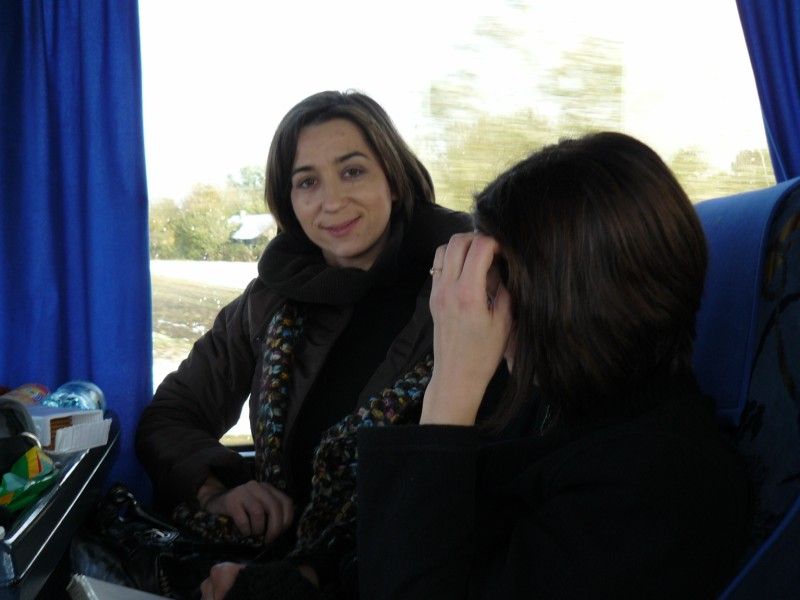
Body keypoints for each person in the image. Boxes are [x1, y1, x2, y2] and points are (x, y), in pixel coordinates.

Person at [357, 132, 753, 598]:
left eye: (500, 280)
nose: (486, 305)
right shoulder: (556, 394)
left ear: (569, 300)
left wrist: (451, 386)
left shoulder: (661, 489)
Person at [135, 90, 473, 599]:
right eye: (307, 182)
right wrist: (215, 491)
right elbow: (171, 415)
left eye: (352, 171)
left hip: (401, 572)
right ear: (289, 201)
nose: (331, 202)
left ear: (394, 179)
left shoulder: (463, 290)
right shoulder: (268, 301)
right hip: (272, 557)